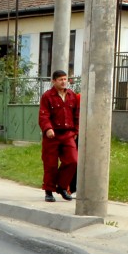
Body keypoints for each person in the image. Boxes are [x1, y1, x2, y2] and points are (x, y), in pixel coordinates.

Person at [38, 69, 80, 202]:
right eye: (60, 79)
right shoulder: (47, 96)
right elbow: (43, 115)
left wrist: (76, 131)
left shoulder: (72, 95)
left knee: (73, 161)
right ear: (54, 81)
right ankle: (48, 191)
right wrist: (48, 129)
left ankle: (62, 187)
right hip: (52, 135)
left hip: (68, 134)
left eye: (65, 79)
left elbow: (77, 115)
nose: (63, 82)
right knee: (50, 163)